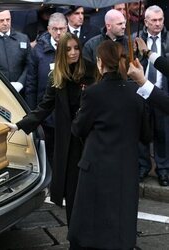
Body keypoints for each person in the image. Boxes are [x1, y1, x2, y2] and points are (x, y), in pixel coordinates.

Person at [67, 40, 151, 250]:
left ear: (100, 63)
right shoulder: (137, 93)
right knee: (120, 223)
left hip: (96, 167)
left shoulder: (93, 93)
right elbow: (146, 135)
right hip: (125, 168)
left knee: (90, 226)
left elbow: (78, 129)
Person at [5, 32, 94, 226]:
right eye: (68, 49)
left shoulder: (91, 69)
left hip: (90, 138)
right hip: (69, 140)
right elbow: (45, 106)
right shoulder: (57, 75)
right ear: (61, 51)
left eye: (76, 48)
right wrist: (20, 125)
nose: (73, 53)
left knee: (90, 187)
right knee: (71, 188)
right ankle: (74, 232)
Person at [24, 12, 67, 168]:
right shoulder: (38, 51)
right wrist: (33, 114)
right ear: (48, 29)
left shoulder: (72, 49)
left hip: (67, 111)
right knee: (49, 152)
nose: (58, 33)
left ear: (67, 28)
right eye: (55, 29)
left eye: (62, 29)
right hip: (46, 112)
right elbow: (31, 84)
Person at [138, 5, 169, 186]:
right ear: (146, 22)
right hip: (142, 92)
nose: (158, 24)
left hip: (162, 92)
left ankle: (163, 169)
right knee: (142, 131)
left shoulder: (167, 38)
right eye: (154, 20)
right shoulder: (136, 38)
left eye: (161, 20)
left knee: (163, 132)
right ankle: (143, 166)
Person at [0, 10, 31, 93]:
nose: (5, 23)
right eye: (1, 20)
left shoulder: (23, 38)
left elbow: (29, 64)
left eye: (8, 19)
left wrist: (20, 83)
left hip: (21, 91)